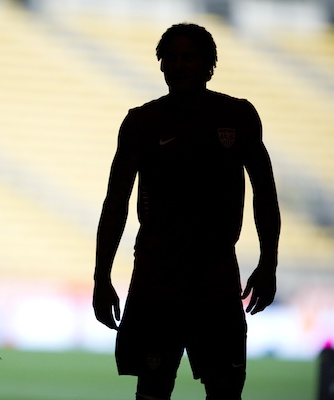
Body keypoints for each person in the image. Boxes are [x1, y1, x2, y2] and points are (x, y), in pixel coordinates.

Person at [93, 23, 280, 400]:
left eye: (188, 57)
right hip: (156, 282)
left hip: (216, 283)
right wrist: (101, 277)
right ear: (161, 65)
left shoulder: (239, 116)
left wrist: (268, 263)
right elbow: (115, 202)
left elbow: (265, 192)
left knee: (225, 392)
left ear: (210, 65)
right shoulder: (141, 122)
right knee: (152, 391)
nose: (178, 65)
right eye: (171, 58)